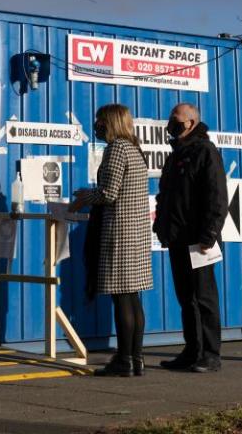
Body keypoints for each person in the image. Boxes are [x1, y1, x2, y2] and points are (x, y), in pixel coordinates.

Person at [70, 104, 152, 377]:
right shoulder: (136, 150)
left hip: (120, 233)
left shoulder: (117, 148)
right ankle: (136, 359)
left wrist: (84, 197)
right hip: (136, 234)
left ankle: (124, 360)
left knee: (122, 300)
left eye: (99, 121)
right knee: (132, 298)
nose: (97, 126)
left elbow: (109, 193)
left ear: (111, 122)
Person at [153, 103, 227, 373]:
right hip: (177, 238)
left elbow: (217, 197)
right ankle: (192, 350)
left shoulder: (205, 151)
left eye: (177, 120)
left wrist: (209, 234)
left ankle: (210, 353)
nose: (171, 125)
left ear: (192, 122)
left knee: (204, 297)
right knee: (186, 297)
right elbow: (166, 196)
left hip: (199, 240)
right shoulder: (176, 155)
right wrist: (161, 227)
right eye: (170, 120)